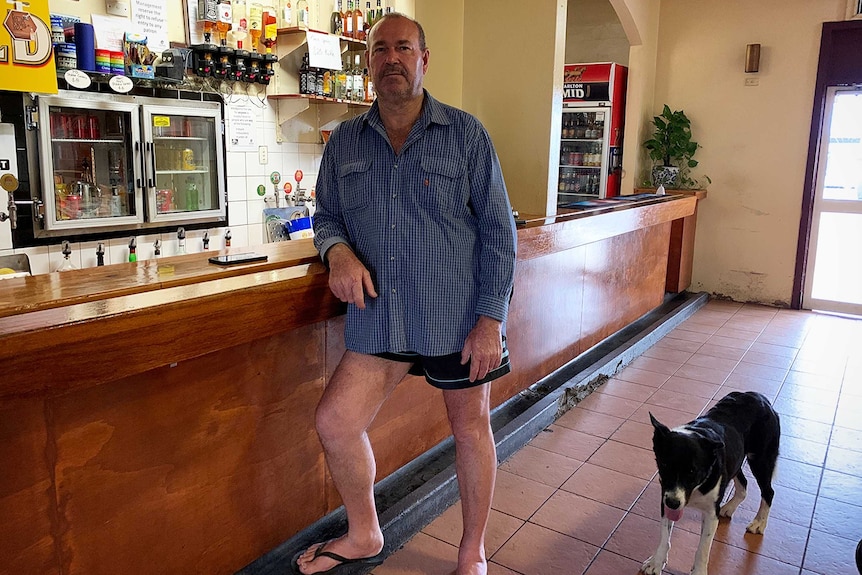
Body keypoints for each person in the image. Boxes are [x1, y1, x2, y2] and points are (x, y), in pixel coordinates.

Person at [294, 12, 517, 575]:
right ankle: (366, 533)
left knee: (470, 430)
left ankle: (472, 552)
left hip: (456, 318)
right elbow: (326, 217)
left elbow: (498, 230)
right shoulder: (345, 141)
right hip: (382, 319)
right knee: (336, 423)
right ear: (368, 63)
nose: (391, 58)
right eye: (379, 50)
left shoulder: (466, 134)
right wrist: (336, 252)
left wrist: (491, 319)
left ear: (423, 59)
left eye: (403, 48)